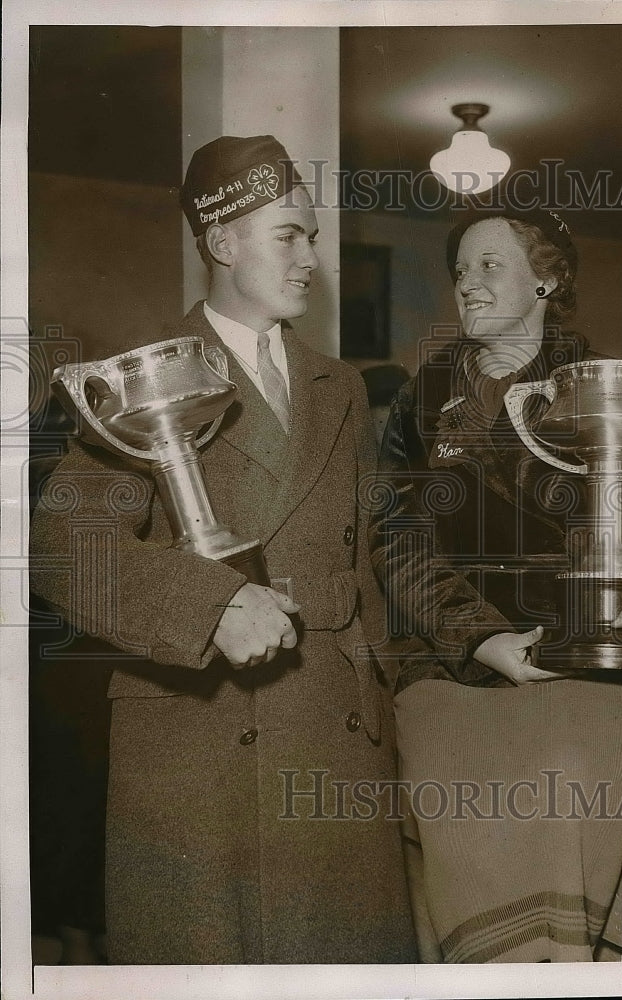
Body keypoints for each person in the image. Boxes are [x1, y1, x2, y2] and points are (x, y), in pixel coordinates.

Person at [30, 135, 416, 965]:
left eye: (311, 235)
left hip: (338, 747)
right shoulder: (135, 378)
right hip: (198, 753)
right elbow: (66, 549)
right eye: (289, 235)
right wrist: (211, 603)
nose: (312, 257)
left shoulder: (338, 384)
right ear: (220, 242)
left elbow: (371, 560)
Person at [369, 205, 622, 963]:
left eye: (490, 266)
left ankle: (554, 966)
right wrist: (482, 638)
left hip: (593, 659)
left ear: (547, 280)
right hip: (457, 666)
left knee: (571, 764)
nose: (468, 284)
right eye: (461, 270)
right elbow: (397, 538)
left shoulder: (605, 384)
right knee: (453, 781)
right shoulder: (420, 401)